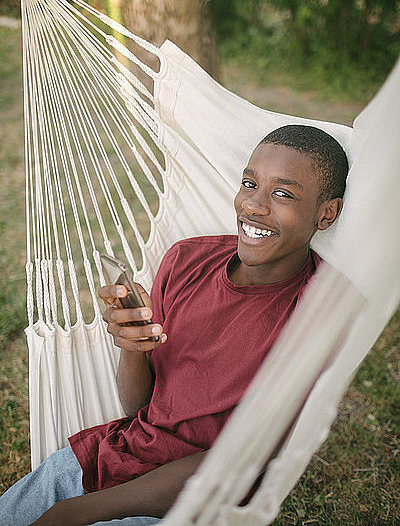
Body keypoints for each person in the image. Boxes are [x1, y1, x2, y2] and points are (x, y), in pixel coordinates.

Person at [0, 124, 349, 526]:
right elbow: (141, 409)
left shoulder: (315, 310)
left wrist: (80, 511)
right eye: (249, 183)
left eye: (283, 193)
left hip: (189, 506)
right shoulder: (187, 261)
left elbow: (241, 461)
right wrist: (134, 350)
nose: (253, 205)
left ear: (327, 214)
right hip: (105, 461)